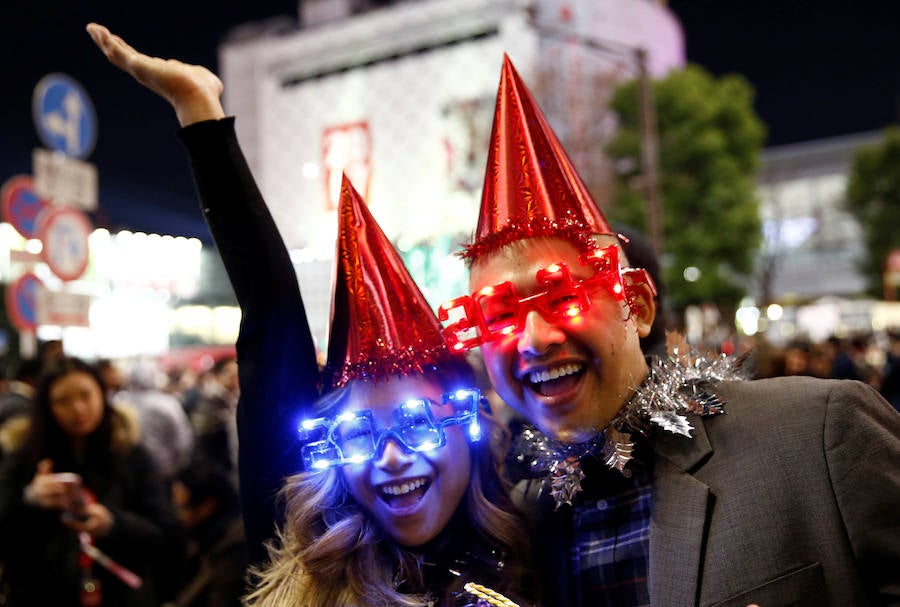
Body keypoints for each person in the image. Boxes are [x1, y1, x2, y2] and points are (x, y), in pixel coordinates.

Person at [87, 24, 535, 606]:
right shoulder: (307, 563)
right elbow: (272, 320)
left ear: (469, 422)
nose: (391, 457)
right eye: (358, 435)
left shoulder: (539, 541)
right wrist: (199, 114)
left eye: (418, 422)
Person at [438, 56, 900, 606]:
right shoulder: (518, 530)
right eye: (499, 316)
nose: (534, 339)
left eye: (563, 297)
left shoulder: (815, 436)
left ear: (636, 305)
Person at [0, 357, 176, 606]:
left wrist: (113, 524)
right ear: (46, 407)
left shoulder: (131, 454)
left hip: (122, 593)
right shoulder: (24, 457)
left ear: (102, 394)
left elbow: (164, 531)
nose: (78, 408)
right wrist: (29, 497)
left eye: (86, 395)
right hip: (42, 593)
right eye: (63, 401)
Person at [168, 456, 247, 607]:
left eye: (182, 507)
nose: (177, 515)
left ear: (207, 507)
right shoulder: (204, 533)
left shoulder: (234, 549)